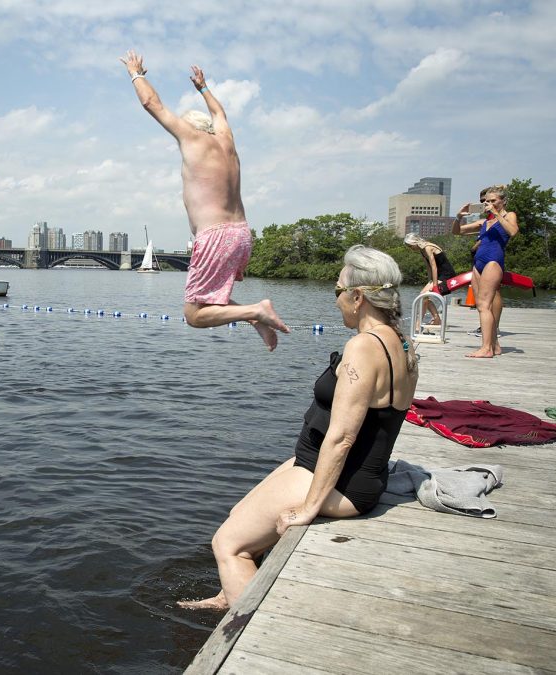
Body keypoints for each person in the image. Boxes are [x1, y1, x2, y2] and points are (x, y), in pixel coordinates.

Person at [177, 246, 418, 612]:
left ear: (358, 297)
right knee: (238, 516)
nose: (335, 300)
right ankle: (231, 591)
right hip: (329, 467)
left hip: (345, 482)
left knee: (227, 543)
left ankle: (244, 633)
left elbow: (342, 438)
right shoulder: (399, 340)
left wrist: (308, 508)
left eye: (337, 291)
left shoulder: (364, 348)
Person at [121, 50, 289, 350]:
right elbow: (220, 114)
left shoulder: (192, 138)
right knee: (212, 298)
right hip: (241, 235)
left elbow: (152, 104)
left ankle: (257, 311)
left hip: (216, 236)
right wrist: (203, 88)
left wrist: (137, 74)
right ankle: (255, 319)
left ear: (189, 128)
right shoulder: (226, 139)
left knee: (193, 315)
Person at [452, 185, 518, 358]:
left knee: (483, 305)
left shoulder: (508, 215)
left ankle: (486, 348)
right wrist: (459, 217)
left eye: (493, 200)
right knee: (481, 305)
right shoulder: (484, 222)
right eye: (486, 201)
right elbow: (456, 232)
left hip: (493, 262)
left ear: (503, 201)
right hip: (478, 263)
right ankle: (494, 345)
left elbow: (513, 231)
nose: (489, 204)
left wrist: (496, 213)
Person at [403, 233, 456, 328]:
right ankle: (436, 319)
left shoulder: (428, 247)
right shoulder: (422, 250)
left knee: (424, 296)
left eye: (411, 246)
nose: (411, 249)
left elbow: (434, 266)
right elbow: (428, 267)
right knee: (423, 296)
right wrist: (429, 281)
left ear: (415, 242)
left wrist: (435, 285)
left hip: (446, 274)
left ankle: (418, 324)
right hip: (438, 275)